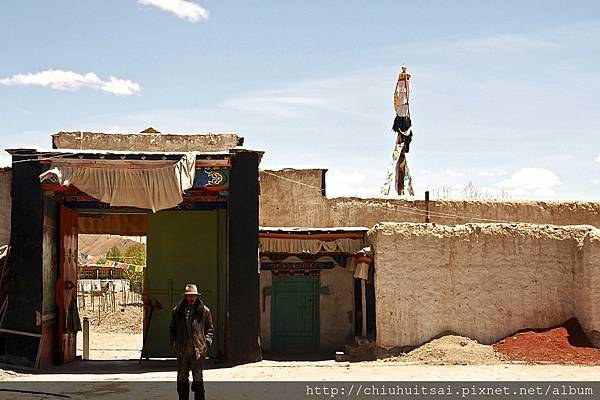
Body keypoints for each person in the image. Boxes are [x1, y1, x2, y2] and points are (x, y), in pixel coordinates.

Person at [169, 283, 214, 400]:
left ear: (197, 296)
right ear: (185, 296)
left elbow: (210, 329)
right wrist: (174, 341)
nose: (191, 298)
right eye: (189, 296)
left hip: (198, 352)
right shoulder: (177, 311)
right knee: (182, 379)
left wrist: (206, 342)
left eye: (193, 296)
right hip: (182, 351)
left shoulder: (205, 311)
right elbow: (172, 328)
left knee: (198, 380)